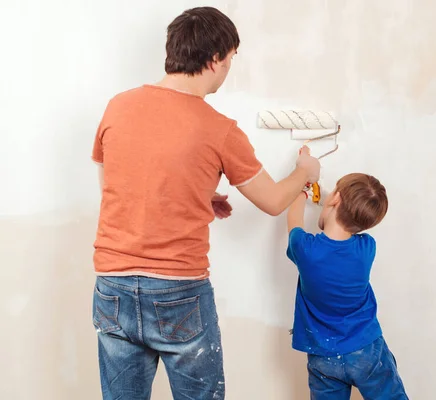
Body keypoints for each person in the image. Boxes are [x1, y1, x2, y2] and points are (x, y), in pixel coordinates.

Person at [90, 7, 320, 400]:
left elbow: (114, 181)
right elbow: (273, 200)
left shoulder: (119, 106)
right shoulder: (218, 129)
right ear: (215, 59)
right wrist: (305, 171)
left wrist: (191, 194)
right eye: (231, 58)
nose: (229, 67)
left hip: (113, 287)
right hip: (178, 293)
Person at [286, 173, 409, 399]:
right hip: (367, 350)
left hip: (323, 356)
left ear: (335, 198)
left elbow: (294, 222)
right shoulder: (367, 248)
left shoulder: (305, 249)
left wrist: (302, 192)